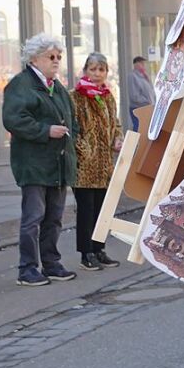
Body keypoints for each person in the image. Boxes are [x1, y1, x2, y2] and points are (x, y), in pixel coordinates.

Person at [2, 33, 78, 286]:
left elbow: (72, 122)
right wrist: (46, 131)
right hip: (34, 164)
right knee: (33, 218)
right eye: (51, 56)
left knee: (54, 218)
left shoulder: (57, 88)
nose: (56, 61)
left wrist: (72, 142)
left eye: (59, 56)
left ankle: (52, 263)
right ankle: (27, 268)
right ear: (34, 59)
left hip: (58, 163)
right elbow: (14, 119)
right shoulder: (21, 85)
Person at [70, 52, 123, 270]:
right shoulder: (75, 96)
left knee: (102, 209)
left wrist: (117, 139)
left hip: (104, 164)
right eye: (93, 69)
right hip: (85, 165)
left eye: (101, 69)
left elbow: (115, 123)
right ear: (85, 71)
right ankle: (86, 252)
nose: (97, 74)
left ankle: (99, 248)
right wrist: (84, 150)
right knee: (86, 209)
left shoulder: (107, 96)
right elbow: (73, 129)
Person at [128, 55, 155, 131]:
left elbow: (151, 90)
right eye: (141, 63)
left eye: (144, 63)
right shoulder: (132, 76)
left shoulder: (144, 76)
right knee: (138, 127)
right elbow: (134, 96)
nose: (143, 65)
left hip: (147, 106)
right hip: (138, 107)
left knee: (145, 128)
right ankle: (136, 142)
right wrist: (147, 101)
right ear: (135, 64)